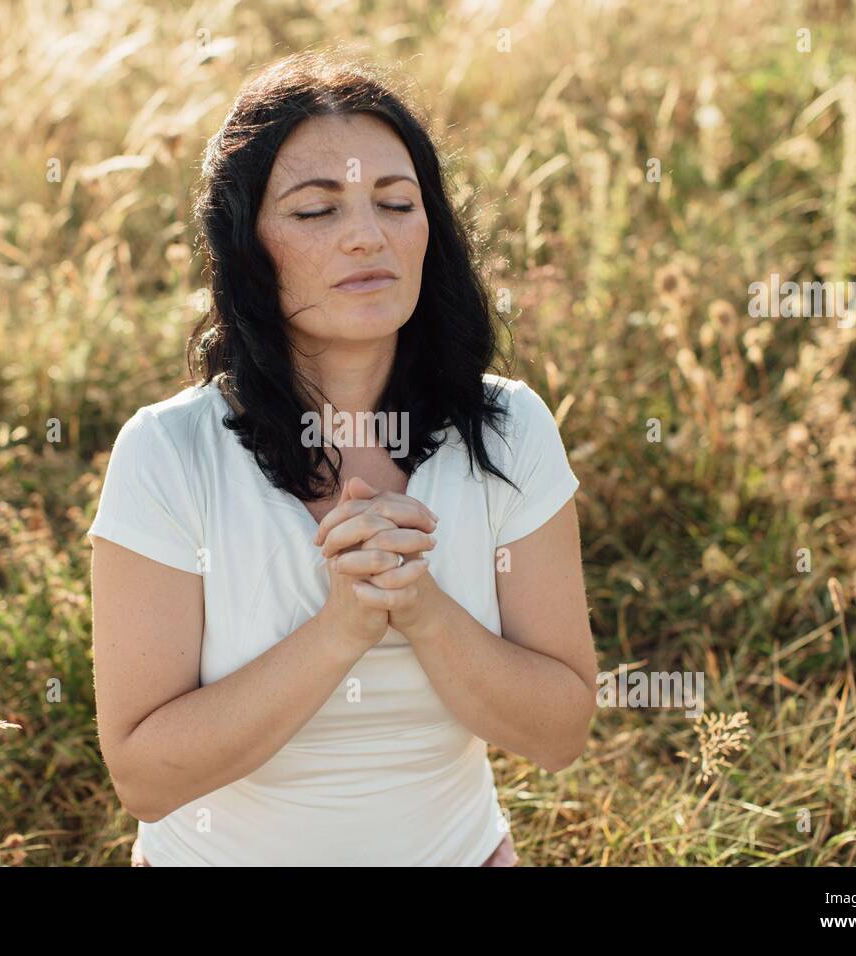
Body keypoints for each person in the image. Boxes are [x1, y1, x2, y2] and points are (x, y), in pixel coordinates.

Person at [88, 50, 597, 866]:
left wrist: (422, 609)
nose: (368, 236)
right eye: (316, 211)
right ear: (246, 243)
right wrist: (341, 629)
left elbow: (560, 731)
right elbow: (146, 778)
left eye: (397, 202)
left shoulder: (511, 431)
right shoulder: (167, 453)